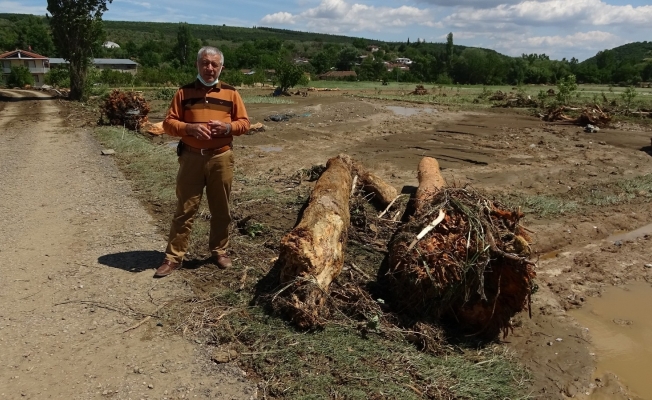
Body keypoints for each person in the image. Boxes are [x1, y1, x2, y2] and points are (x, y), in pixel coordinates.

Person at [155, 46, 250, 278]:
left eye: (214, 64)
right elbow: (168, 124)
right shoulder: (183, 93)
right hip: (191, 158)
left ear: (221, 67)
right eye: (205, 63)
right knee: (185, 209)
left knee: (221, 208)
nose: (209, 68)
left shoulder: (231, 92)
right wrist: (189, 128)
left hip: (221, 158)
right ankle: (173, 257)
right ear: (197, 65)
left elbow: (244, 123)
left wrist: (228, 127)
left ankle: (219, 251)